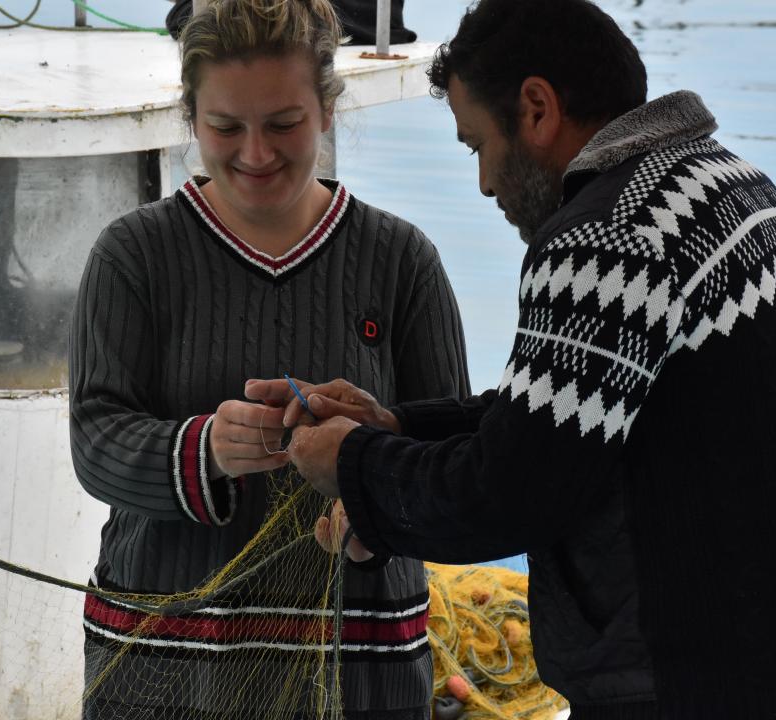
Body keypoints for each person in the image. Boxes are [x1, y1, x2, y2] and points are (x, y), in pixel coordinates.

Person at [257, 0, 776, 717]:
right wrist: (394, 426)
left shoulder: (605, 238)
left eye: (477, 145)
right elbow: (562, 414)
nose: (484, 183)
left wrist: (352, 464)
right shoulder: (728, 186)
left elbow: (512, 492)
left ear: (537, 109)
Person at [67, 1, 469, 718]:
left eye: (284, 124)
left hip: (361, 674)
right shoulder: (132, 256)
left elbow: (455, 462)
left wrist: (374, 500)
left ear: (328, 110)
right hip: (165, 677)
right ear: (191, 118)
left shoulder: (402, 261)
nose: (255, 153)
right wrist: (206, 448)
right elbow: (95, 440)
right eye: (225, 127)